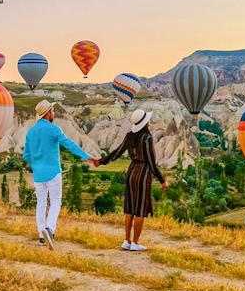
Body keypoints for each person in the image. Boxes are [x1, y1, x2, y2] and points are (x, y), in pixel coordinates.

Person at [23, 99, 99, 250]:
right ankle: (50, 230)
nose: (54, 112)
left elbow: (26, 156)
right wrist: (87, 156)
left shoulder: (30, 132)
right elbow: (69, 144)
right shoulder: (54, 129)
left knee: (41, 203)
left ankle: (41, 234)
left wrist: (37, 165)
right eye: (52, 110)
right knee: (56, 201)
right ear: (47, 113)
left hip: (38, 175)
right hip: (53, 173)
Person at [98, 109, 169, 251]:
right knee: (140, 210)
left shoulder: (129, 136)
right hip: (143, 174)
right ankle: (135, 243)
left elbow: (117, 152)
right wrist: (162, 180)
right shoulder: (147, 138)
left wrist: (101, 161)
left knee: (130, 208)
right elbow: (151, 161)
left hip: (131, 172)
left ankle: (127, 241)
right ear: (145, 123)